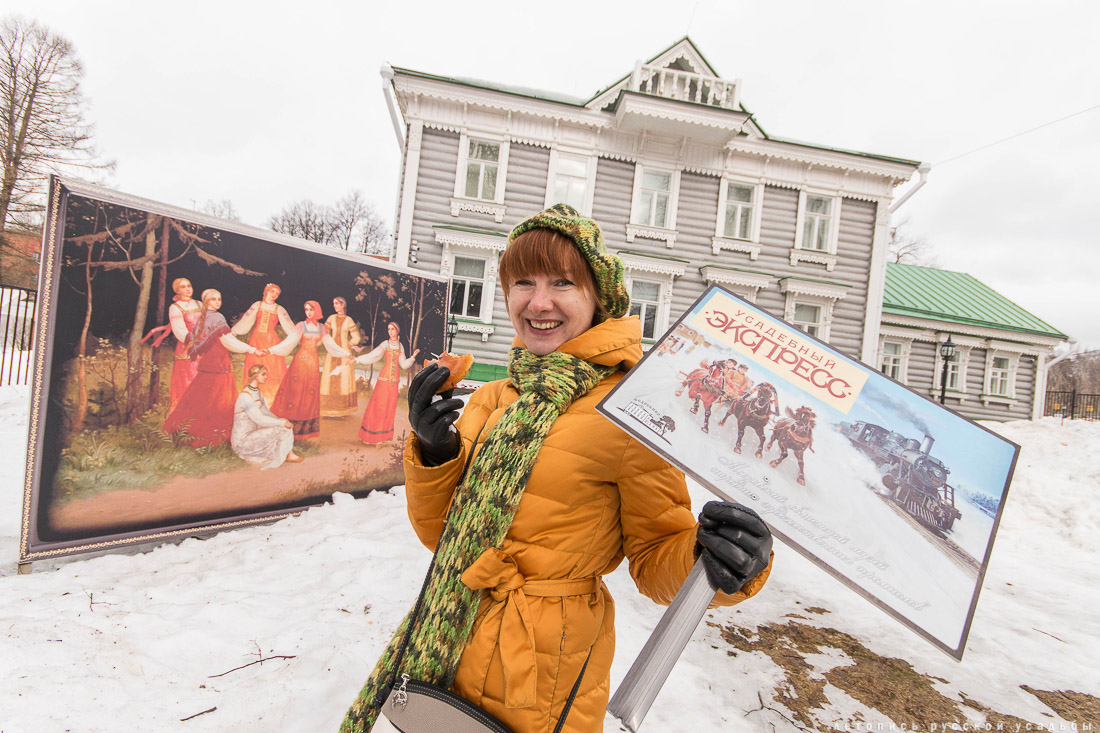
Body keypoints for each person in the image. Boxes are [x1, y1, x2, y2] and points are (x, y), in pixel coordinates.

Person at [340, 204, 773, 733]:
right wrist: (434, 453)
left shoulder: (631, 412)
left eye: (562, 283)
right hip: (449, 637)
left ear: (598, 300)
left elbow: (656, 557)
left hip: (544, 671)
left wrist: (718, 559)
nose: (538, 302)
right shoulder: (492, 398)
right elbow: (443, 537)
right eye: (522, 281)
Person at [163, 289, 265, 447]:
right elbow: (228, 341)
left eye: (219, 299)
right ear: (206, 302)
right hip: (219, 363)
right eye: (213, 299)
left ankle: (184, 432)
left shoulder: (203, 318)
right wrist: (251, 349)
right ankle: (217, 437)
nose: (217, 302)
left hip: (208, 363)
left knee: (201, 397)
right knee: (219, 400)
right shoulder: (216, 317)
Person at [268, 301, 351, 440]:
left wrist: (346, 354)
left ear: (316, 310)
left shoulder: (321, 328)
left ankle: (302, 431)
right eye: (306, 309)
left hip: (313, 363)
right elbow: (290, 342)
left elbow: (330, 345)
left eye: (311, 309)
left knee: (309, 393)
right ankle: (286, 427)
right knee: (295, 391)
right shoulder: (301, 325)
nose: (308, 312)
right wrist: (271, 350)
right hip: (300, 362)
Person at [349, 322, 419, 444]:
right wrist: (357, 359)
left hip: (394, 381)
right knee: (379, 405)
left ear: (397, 331)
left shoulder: (400, 346)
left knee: (389, 407)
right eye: (389, 329)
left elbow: (403, 365)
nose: (390, 331)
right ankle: (370, 436)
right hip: (384, 378)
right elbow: (373, 356)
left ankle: (382, 437)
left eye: (393, 329)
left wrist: (412, 357)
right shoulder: (385, 344)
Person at [231, 283, 297, 402]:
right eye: (272, 292)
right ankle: (252, 396)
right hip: (256, 340)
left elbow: (289, 326)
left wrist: (298, 337)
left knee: (272, 368)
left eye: (277, 294)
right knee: (254, 365)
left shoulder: (279, 309)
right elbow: (246, 320)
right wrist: (233, 333)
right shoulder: (257, 305)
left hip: (272, 341)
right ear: (266, 291)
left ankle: (272, 398)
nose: (274, 295)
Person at [231, 365, 301, 468]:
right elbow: (259, 419)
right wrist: (281, 423)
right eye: (263, 374)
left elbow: (265, 413)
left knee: (283, 424)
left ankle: (288, 454)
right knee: (282, 426)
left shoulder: (258, 393)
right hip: (242, 441)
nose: (266, 377)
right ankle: (289, 455)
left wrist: (281, 421)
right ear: (255, 376)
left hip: (252, 435)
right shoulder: (245, 396)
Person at [320, 296, 361, 417]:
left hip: (344, 352)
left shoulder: (349, 320)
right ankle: (327, 409)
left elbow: (356, 337)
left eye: (337, 304)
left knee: (343, 378)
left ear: (343, 305)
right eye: (334, 304)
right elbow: (324, 332)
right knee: (329, 377)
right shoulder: (331, 318)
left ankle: (342, 410)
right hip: (332, 352)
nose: (335, 306)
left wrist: (350, 344)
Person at [166, 278, 203, 411]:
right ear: (177, 290)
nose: (187, 289)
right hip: (187, 348)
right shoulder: (175, 308)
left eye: (189, 285)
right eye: (183, 287)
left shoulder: (199, 304)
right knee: (188, 382)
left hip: (205, 347)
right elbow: (179, 329)